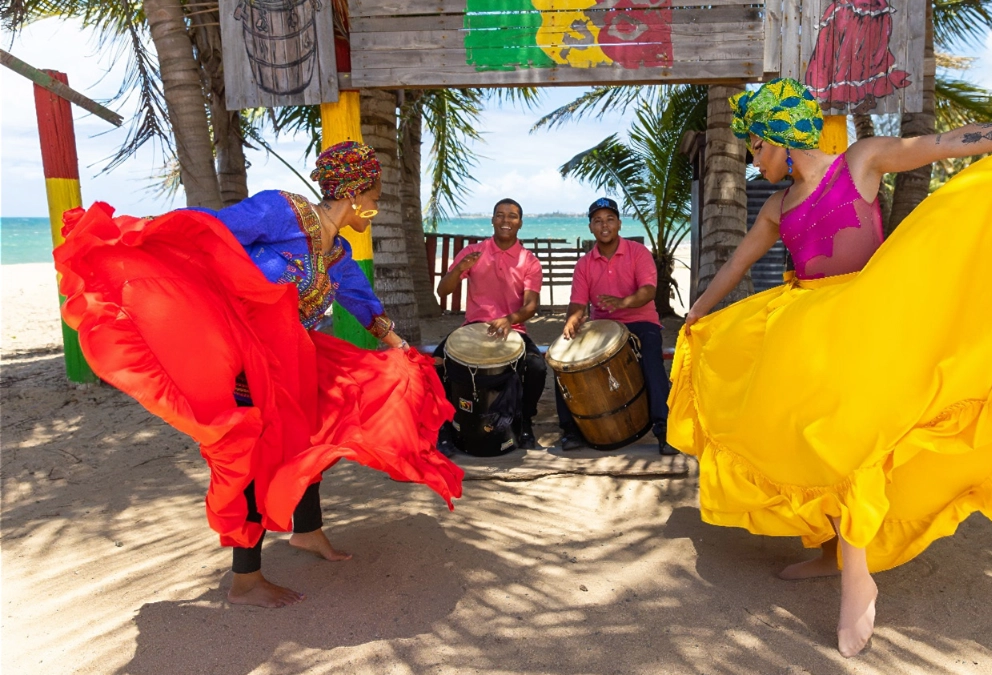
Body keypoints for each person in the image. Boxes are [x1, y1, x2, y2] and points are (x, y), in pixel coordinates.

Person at [668, 71, 992, 657]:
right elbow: (737, 264)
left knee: (853, 438)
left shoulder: (859, 162)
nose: (751, 159)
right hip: (809, 329)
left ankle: (856, 576)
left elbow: (947, 144)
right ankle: (829, 549)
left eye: (755, 146)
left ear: (780, 137)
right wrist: (698, 314)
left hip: (875, 318)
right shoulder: (778, 208)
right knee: (802, 434)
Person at [55, 141, 462, 609]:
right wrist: (143, 235)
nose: (374, 204)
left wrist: (402, 349)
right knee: (248, 453)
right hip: (245, 361)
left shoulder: (337, 254)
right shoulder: (280, 210)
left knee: (311, 439)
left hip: (297, 361)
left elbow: (363, 302)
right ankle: (245, 581)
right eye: (373, 195)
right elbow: (208, 235)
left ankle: (307, 533)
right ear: (353, 191)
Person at [558, 198, 677, 455]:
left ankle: (663, 428)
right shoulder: (584, 265)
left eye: (610, 219)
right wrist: (571, 320)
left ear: (619, 224)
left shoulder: (638, 253)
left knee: (652, 361)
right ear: (590, 227)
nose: (604, 225)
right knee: (563, 361)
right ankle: (570, 430)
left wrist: (623, 302)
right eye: (598, 220)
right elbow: (577, 303)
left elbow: (648, 291)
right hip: (602, 328)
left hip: (641, 323)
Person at [434, 198, 547, 453]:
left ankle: (525, 422)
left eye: (513, 216)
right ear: (492, 219)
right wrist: (459, 269)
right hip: (472, 328)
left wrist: (510, 319)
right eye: (500, 215)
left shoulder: (529, 261)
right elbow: (442, 291)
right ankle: (443, 429)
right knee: (435, 364)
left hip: (513, 330)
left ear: (520, 222)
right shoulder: (474, 252)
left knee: (538, 368)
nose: (506, 220)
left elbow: (531, 306)